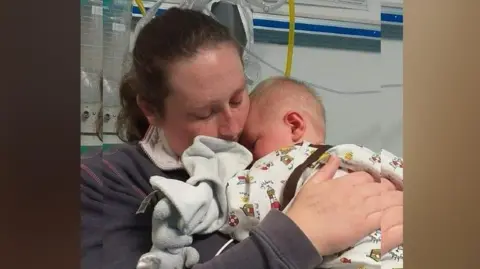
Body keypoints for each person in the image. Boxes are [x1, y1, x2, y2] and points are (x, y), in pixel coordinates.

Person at [80, 7, 403, 269]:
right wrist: (301, 236)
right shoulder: (100, 185)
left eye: (237, 98)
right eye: (204, 113)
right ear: (151, 109)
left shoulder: (263, 146)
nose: (232, 127)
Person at [136, 77, 403, 269]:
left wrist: (207, 196)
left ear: (294, 126)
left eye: (252, 143)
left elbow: (238, 207)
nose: (250, 158)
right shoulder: (355, 155)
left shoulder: (284, 161)